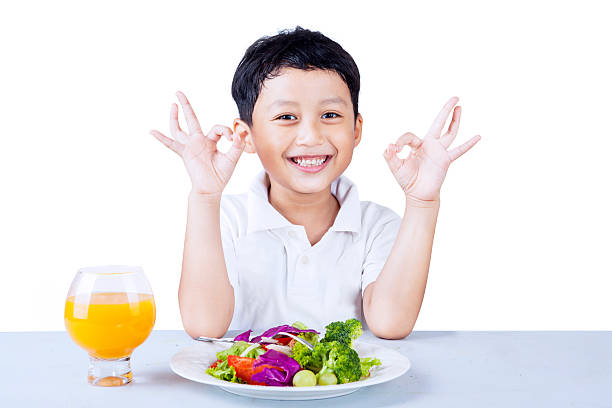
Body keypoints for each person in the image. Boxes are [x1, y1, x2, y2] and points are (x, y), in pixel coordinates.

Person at [150, 26, 481, 340]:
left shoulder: (377, 226)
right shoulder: (227, 220)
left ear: (356, 129)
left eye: (330, 115)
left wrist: (423, 203)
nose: (310, 137)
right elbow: (203, 326)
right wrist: (205, 196)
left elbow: (391, 324)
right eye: (286, 117)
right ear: (245, 136)